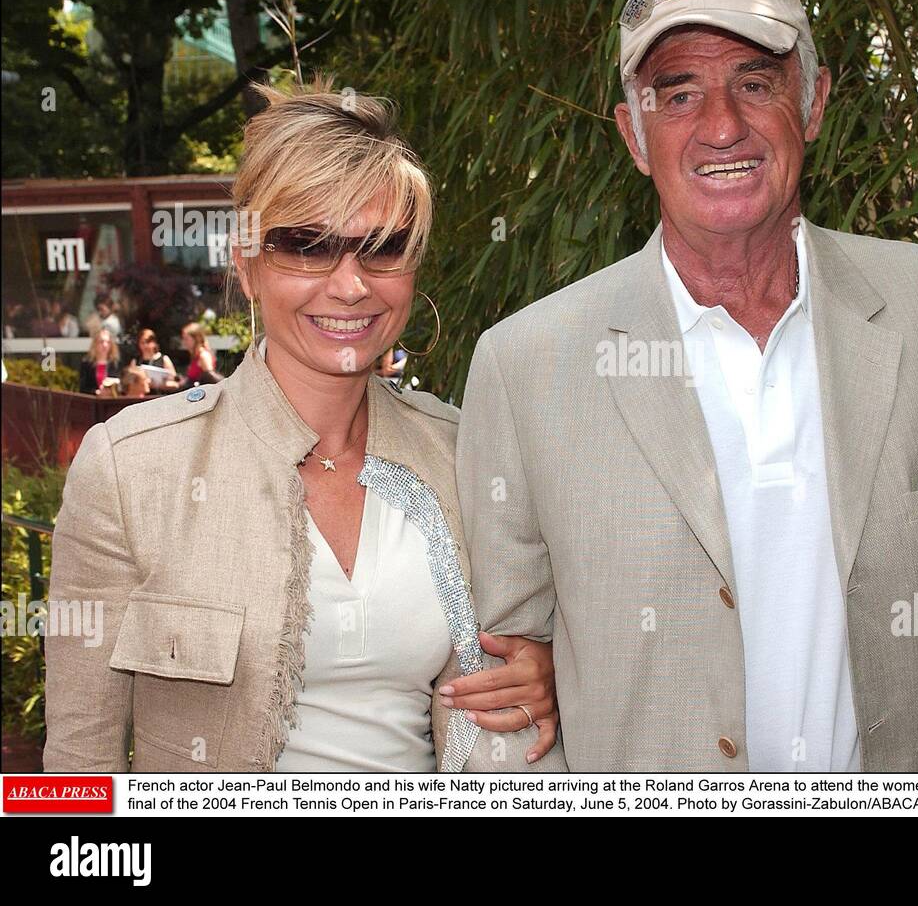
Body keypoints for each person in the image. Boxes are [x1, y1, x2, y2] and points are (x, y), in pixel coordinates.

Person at [458, 0, 918, 771]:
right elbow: (505, 688)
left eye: (757, 82)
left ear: (813, 103)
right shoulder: (526, 366)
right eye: (679, 93)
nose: (722, 124)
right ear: (632, 135)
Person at [45, 78, 561, 773]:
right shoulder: (132, 469)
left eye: (382, 247)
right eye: (308, 245)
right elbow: (81, 764)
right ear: (248, 266)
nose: (350, 284)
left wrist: (548, 672)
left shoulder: (466, 453)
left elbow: (524, 679)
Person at [172, 321, 219, 388]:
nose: (184, 342)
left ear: (196, 339)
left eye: (186, 339)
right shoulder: (195, 356)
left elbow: (211, 379)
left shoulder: (203, 356)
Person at [77, 327, 120, 394]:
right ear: (95, 344)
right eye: (101, 342)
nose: (105, 345)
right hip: (93, 401)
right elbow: (82, 387)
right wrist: (96, 392)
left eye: (108, 342)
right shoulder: (87, 363)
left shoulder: (115, 363)